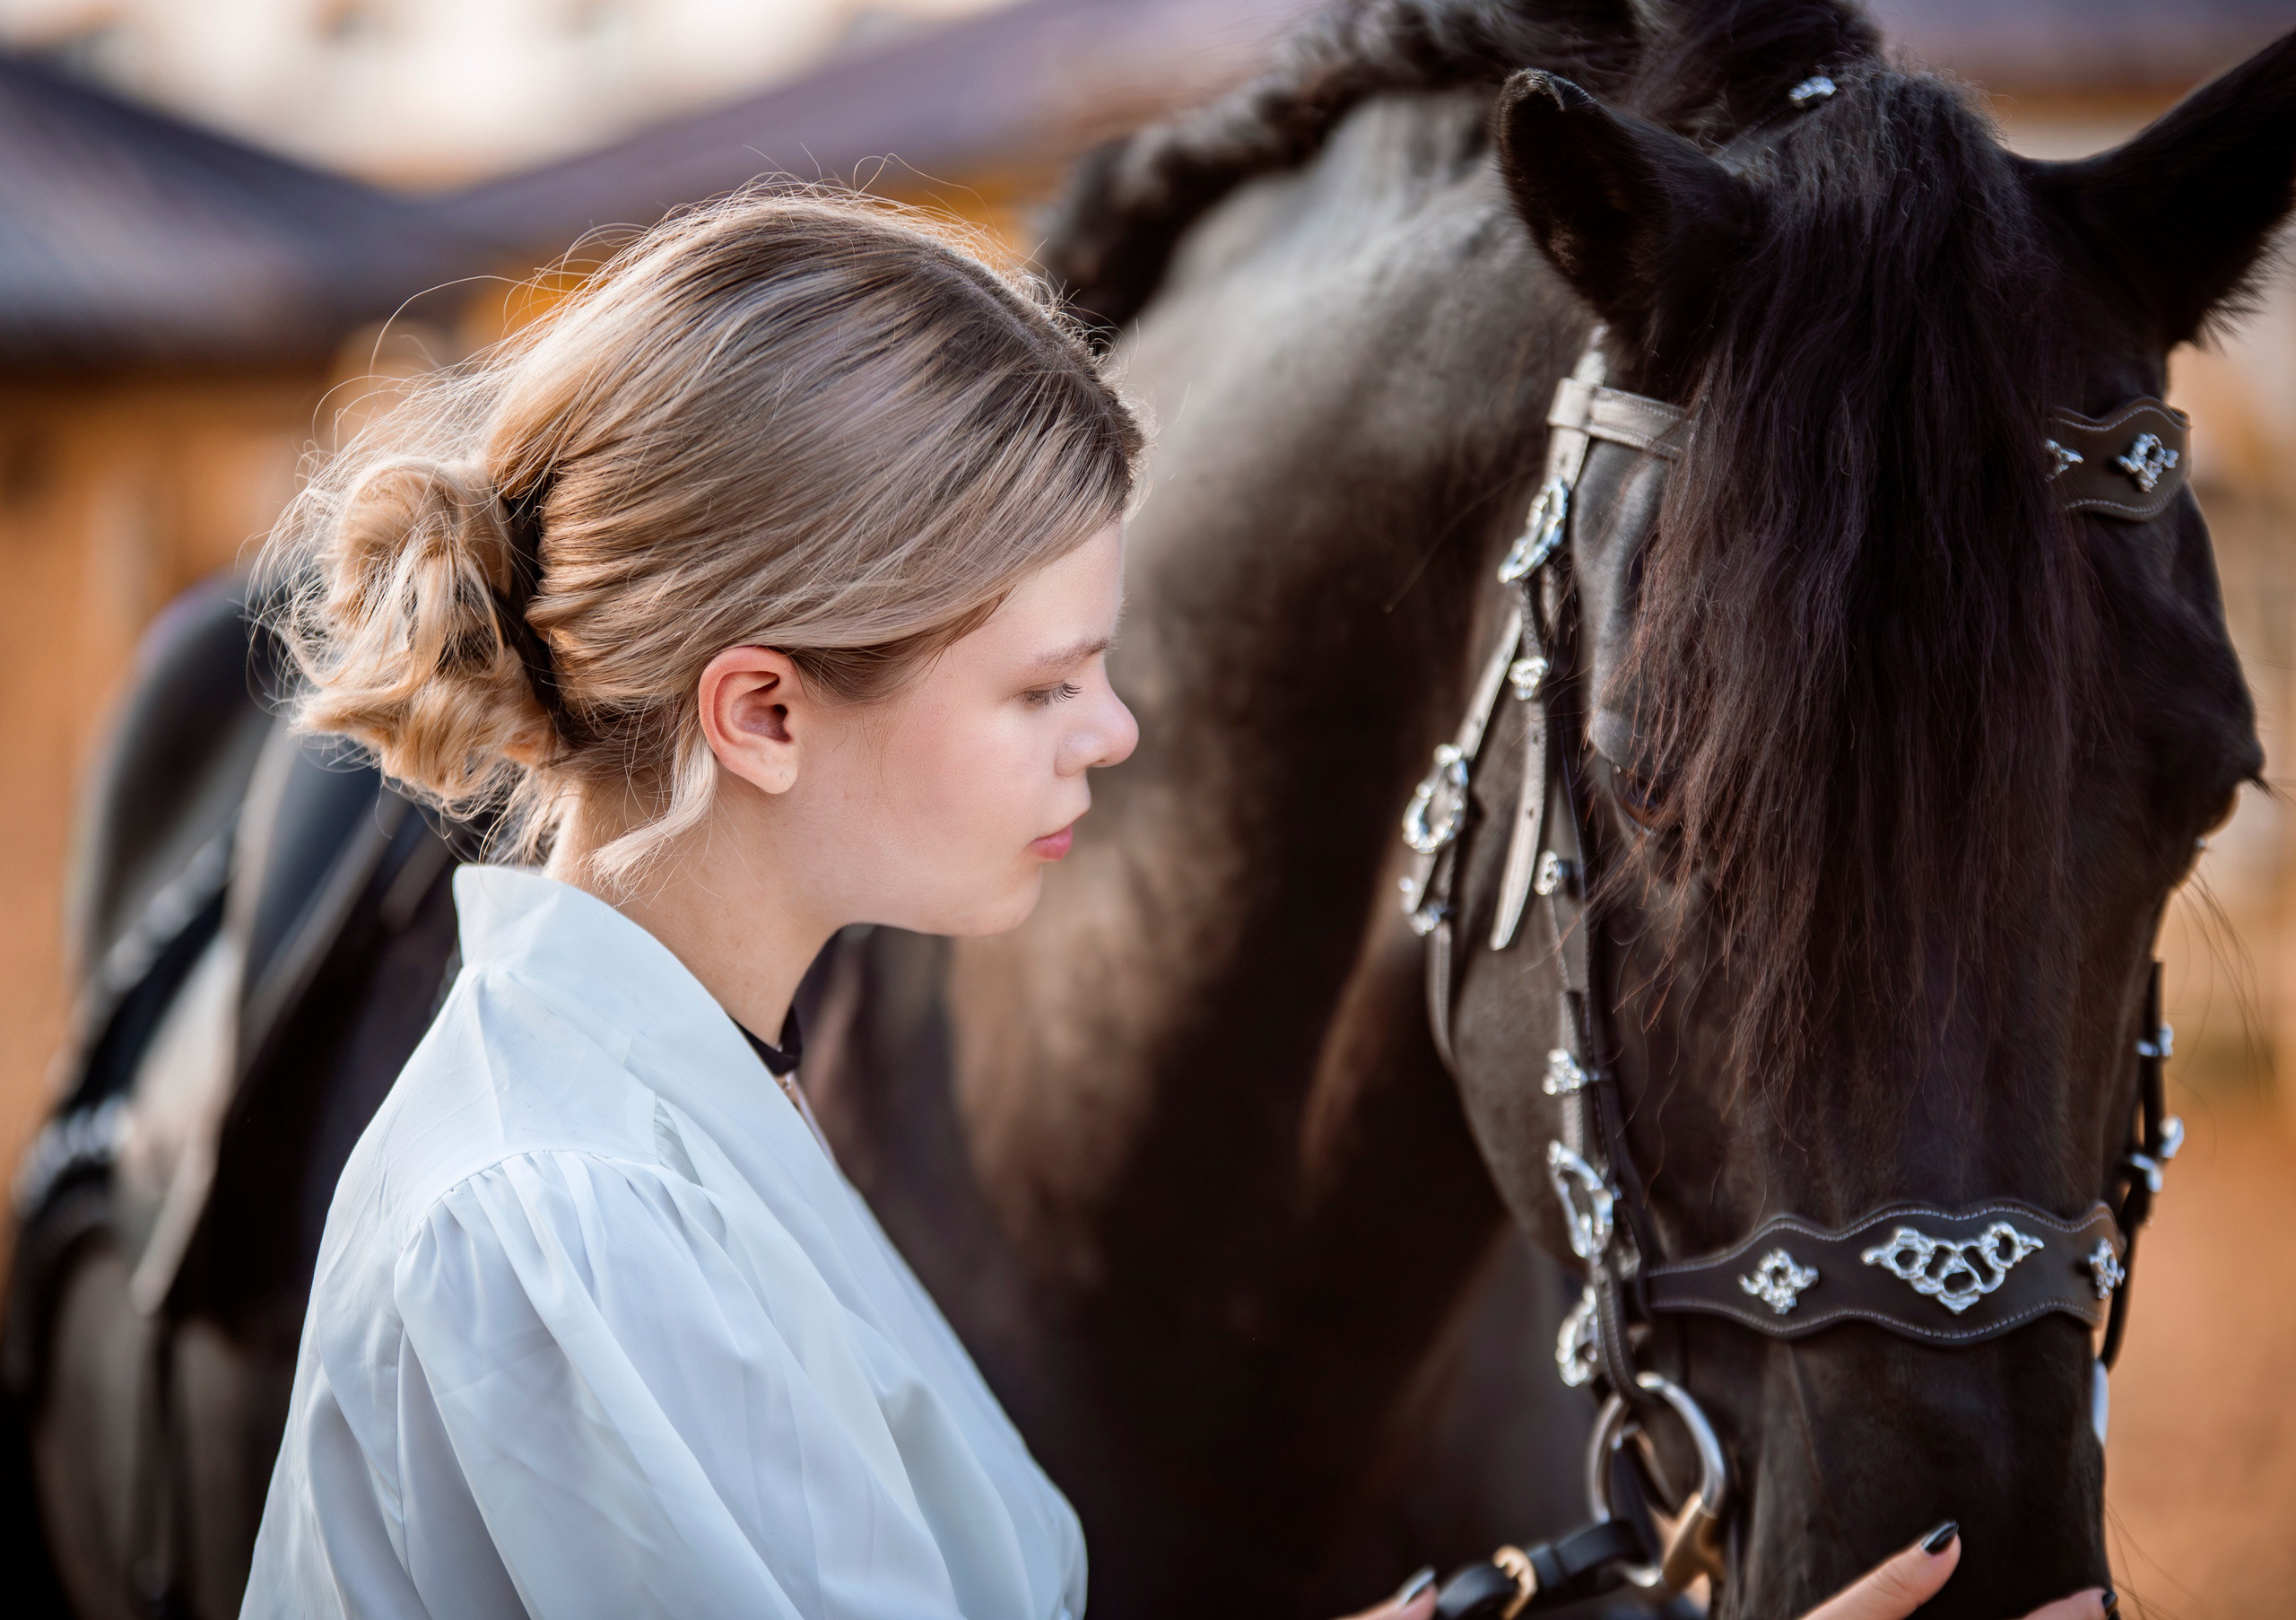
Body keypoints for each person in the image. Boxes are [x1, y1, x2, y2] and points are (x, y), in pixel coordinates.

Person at [239, 192, 2108, 1620]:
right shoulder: (563, 1236)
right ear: (765, 710)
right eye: (1043, 686)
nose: (1111, 734)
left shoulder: (678, 1101)